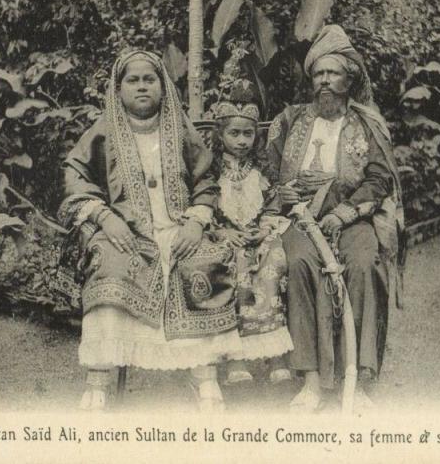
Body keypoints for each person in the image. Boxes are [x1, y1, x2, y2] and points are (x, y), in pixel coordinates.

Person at [58, 50, 241, 412]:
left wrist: (194, 221)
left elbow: (206, 180)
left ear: (162, 85)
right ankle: (99, 377)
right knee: (110, 266)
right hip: (125, 231)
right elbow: (75, 178)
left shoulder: (181, 129)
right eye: (133, 80)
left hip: (179, 227)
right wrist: (105, 218)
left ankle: (204, 374)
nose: (142, 87)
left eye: (149, 79)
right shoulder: (104, 131)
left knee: (202, 260)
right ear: (119, 87)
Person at [264, 25, 404, 411]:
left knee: (363, 263)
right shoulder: (289, 121)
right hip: (300, 219)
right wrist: (281, 192)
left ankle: (354, 380)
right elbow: (266, 171)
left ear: (349, 78)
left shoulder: (367, 123)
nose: (324, 81)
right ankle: (310, 380)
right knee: (300, 263)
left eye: (333, 73)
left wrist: (345, 212)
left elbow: (380, 178)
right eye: (318, 74)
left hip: (351, 217)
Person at [207, 87, 294, 385]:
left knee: (272, 264)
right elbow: (204, 206)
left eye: (248, 134)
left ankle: (276, 354)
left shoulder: (262, 169)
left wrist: (265, 227)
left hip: (260, 235)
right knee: (236, 270)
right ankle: (236, 358)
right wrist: (223, 231)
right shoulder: (210, 171)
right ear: (220, 135)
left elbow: (273, 203)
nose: (242, 141)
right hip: (227, 238)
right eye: (234, 133)